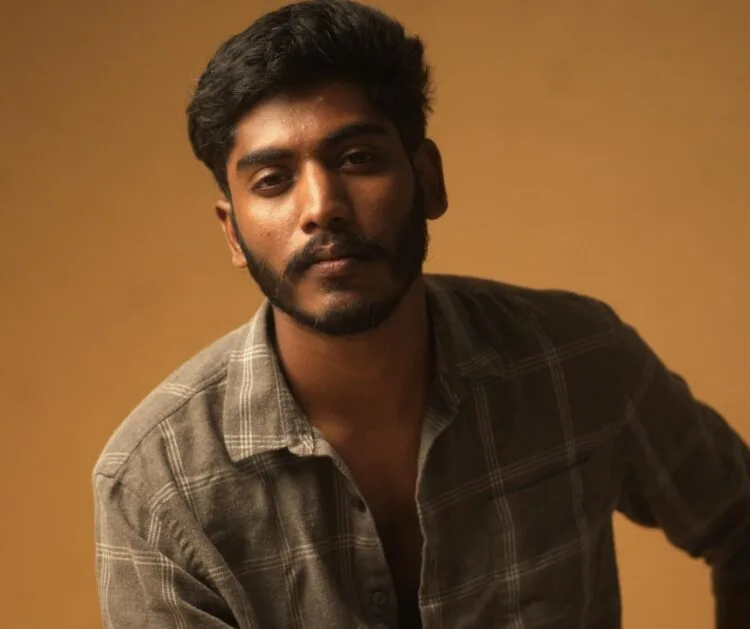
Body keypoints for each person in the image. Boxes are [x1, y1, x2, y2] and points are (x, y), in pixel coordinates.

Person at [92, 1, 750, 627]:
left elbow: (740, 515)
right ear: (233, 232)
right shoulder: (156, 486)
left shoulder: (576, 361)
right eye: (273, 180)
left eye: (357, 159)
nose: (322, 206)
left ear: (428, 179)